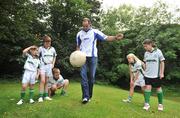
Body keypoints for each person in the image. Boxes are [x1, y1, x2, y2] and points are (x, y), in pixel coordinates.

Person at [76, 18, 124, 104]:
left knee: (91, 78)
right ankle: (85, 97)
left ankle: (89, 95)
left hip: (93, 57)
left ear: (90, 25)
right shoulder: (79, 34)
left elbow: (106, 38)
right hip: (82, 58)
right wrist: (76, 55)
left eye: (86, 26)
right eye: (83, 26)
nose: (85, 27)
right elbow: (78, 46)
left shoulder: (95, 32)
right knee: (83, 76)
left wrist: (115, 37)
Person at [142, 39, 165, 111]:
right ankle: (147, 104)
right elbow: (145, 63)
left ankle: (160, 104)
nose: (145, 48)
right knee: (147, 88)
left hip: (156, 75)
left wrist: (161, 73)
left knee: (158, 88)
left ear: (150, 44)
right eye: (144, 46)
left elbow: (162, 62)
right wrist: (144, 71)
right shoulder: (146, 53)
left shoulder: (158, 51)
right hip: (147, 75)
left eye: (146, 46)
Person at [38, 35, 57, 102]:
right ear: (44, 42)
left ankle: (46, 96)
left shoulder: (53, 49)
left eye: (49, 42)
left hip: (49, 67)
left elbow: (55, 56)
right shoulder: (40, 48)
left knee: (47, 81)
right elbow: (36, 56)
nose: (48, 43)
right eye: (47, 42)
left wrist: (53, 64)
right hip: (42, 66)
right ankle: (40, 97)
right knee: (42, 80)